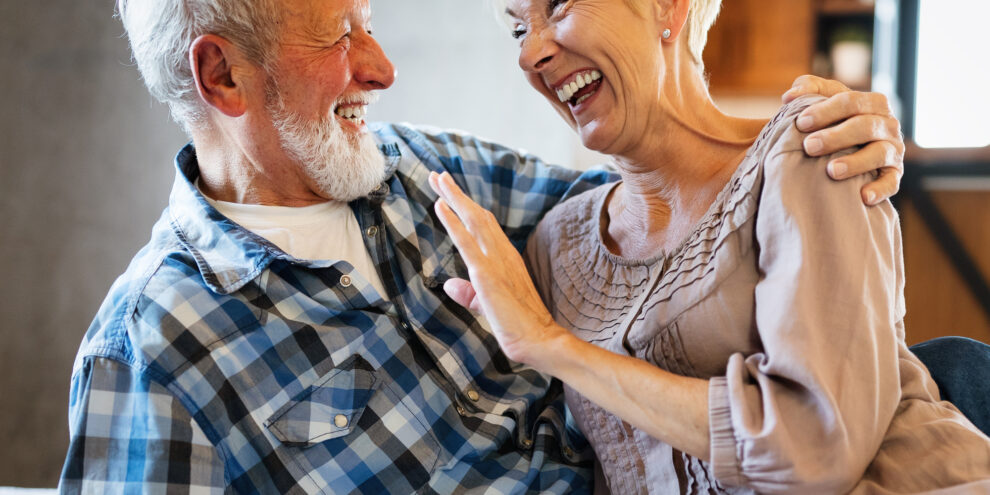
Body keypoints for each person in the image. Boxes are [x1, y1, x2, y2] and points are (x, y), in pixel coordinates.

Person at [59, 0, 911, 492]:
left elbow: (684, 221)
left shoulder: (431, 172)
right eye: (339, 35)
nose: (383, 68)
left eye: (368, 20)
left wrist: (826, 139)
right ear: (224, 77)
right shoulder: (150, 350)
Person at [427, 0, 990, 493]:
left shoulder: (811, 148)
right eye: (517, 31)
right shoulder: (558, 242)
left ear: (668, 7)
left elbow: (818, 448)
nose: (530, 55)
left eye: (559, 3)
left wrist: (550, 345)